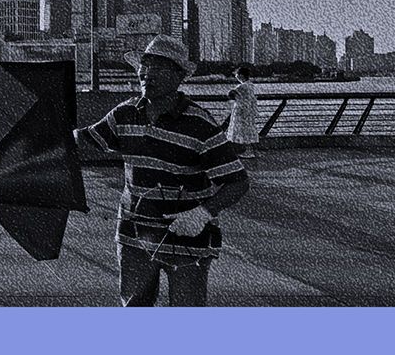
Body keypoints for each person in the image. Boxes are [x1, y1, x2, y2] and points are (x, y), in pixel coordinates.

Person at [73, 35, 250, 306]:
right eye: (145, 65)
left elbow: (237, 181)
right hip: (134, 234)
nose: (147, 73)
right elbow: (86, 142)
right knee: (135, 308)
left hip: (186, 237)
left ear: (179, 77)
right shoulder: (125, 114)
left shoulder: (200, 124)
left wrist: (201, 214)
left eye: (159, 67)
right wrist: (51, 136)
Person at [227, 65, 260, 158]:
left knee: (240, 129)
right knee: (249, 128)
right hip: (248, 110)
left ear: (241, 75)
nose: (235, 76)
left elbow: (230, 94)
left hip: (241, 110)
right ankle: (253, 151)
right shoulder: (250, 85)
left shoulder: (241, 86)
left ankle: (245, 151)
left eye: (237, 74)